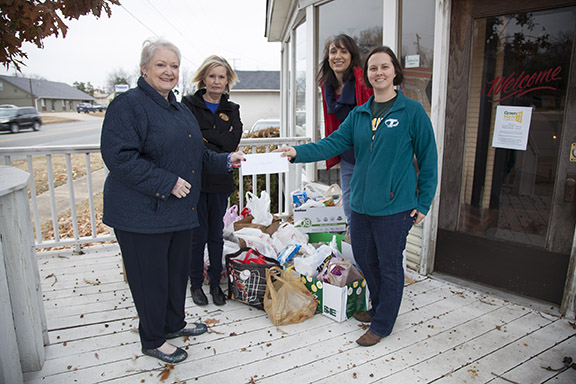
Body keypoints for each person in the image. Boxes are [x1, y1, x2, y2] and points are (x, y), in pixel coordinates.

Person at [276, 46, 438, 346]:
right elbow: (331, 144)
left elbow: (428, 158)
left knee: (389, 264)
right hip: (362, 206)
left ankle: (383, 323)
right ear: (368, 76)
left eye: (384, 67)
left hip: (395, 206)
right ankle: (378, 306)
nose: (379, 72)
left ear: (395, 72)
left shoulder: (411, 111)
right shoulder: (360, 114)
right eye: (373, 68)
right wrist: (297, 152)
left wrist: (424, 201)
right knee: (365, 258)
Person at [100, 38, 244, 364]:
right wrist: (166, 182)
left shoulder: (177, 108)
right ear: (144, 68)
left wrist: (224, 161)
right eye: (161, 65)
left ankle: (173, 323)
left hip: (178, 212)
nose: (169, 71)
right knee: (150, 278)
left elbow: (195, 154)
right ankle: (153, 337)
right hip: (141, 214)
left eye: (174, 66)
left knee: (175, 274)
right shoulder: (129, 105)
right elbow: (119, 158)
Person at [182, 56, 243, 307]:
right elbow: (190, 140)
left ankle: (216, 283)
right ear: (203, 78)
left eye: (222, 76)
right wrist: (218, 139)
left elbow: (232, 143)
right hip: (196, 179)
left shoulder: (233, 109)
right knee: (197, 235)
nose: (217, 81)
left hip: (220, 179)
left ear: (228, 80)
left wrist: (208, 138)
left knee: (216, 234)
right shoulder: (188, 105)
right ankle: (196, 284)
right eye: (212, 76)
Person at [317, 34, 372, 227]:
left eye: (343, 51)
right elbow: (333, 123)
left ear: (351, 55)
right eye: (333, 51)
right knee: (349, 208)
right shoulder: (327, 86)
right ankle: (357, 252)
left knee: (370, 207)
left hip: (371, 155)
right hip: (349, 156)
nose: (337, 56)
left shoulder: (363, 81)